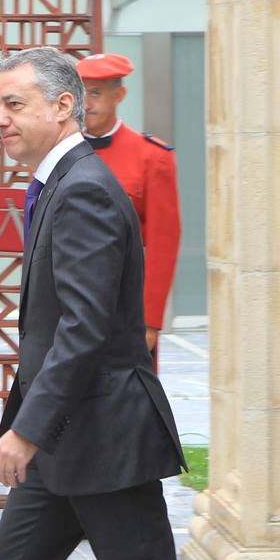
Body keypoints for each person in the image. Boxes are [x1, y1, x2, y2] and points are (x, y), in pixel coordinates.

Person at [0, 47, 210, 560]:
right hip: (60, 451)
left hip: (104, 441)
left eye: (13, 104)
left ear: (62, 106)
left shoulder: (86, 189)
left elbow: (84, 326)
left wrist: (26, 429)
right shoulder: (62, 183)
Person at [75, 53, 181, 361]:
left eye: (95, 93)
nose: (87, 104)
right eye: (81, 94)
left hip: (125, 307)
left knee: (128, 403)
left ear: (119, 95)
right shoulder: (61, 153)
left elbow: (164, 242)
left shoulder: (152, 157)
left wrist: (149, 320)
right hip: (71, 306)